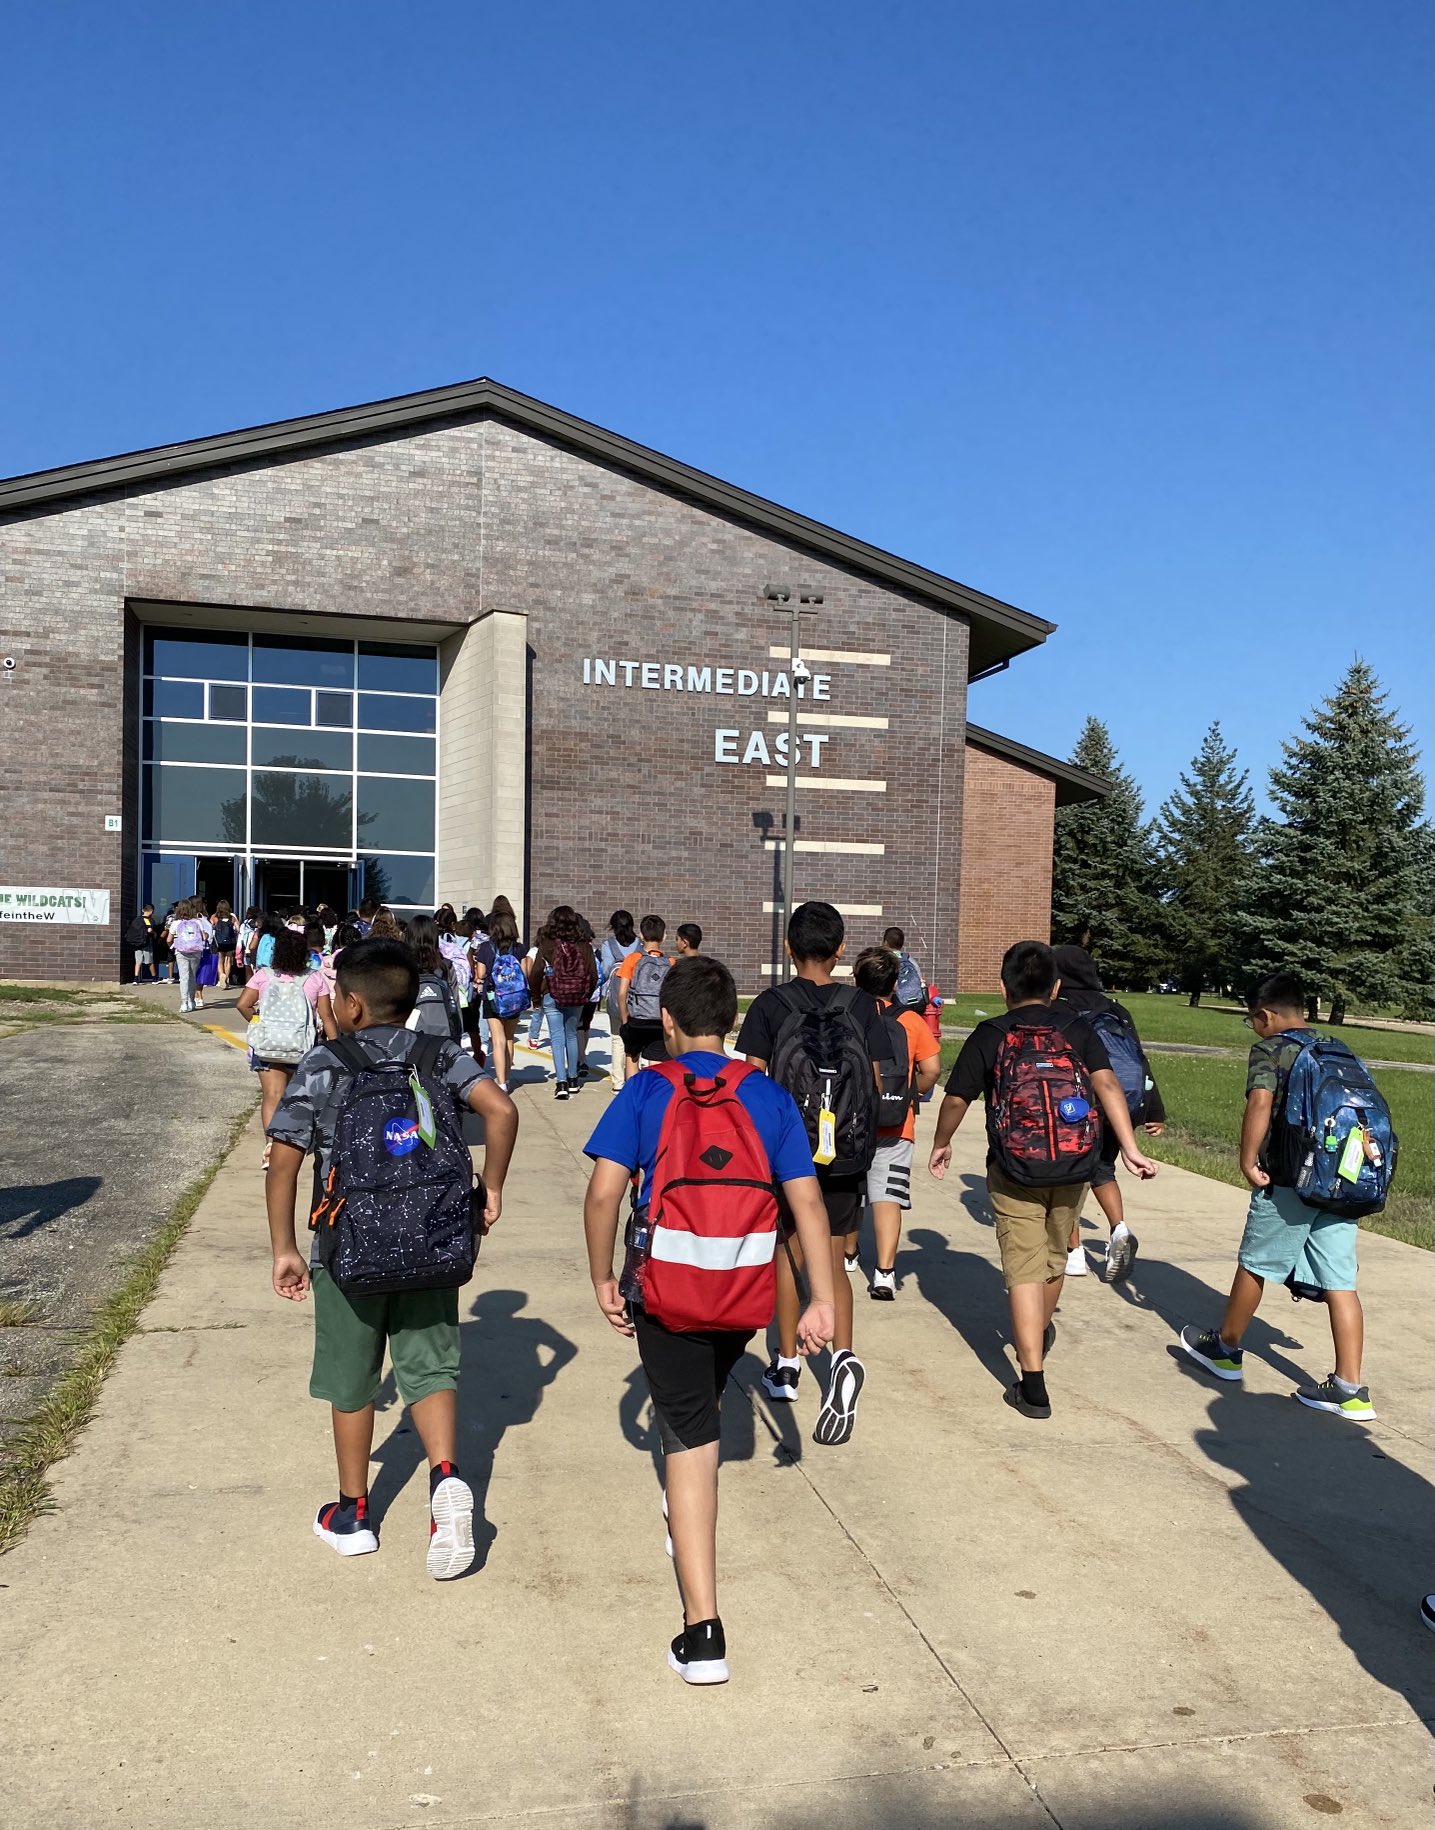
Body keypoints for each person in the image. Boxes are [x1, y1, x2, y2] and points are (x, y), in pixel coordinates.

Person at [582, 954, 835, 1683]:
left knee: (689, 1443)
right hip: (741, 1289)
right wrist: (818, 1297)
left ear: (665, 1020)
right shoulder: (767, 1097)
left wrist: (601, 1276)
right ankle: (683, 1515)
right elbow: (807, 1204)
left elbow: (604, 1195)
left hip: (666, 1290)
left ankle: (703, 1632)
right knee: (706, 1401)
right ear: (729, 1024)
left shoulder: (645, 1092)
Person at [263, 938, 519, 1579]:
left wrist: (285, 1249)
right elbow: (503, 1110)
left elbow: (285, 1161)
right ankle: (446, 1484)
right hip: (432, 1242)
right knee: (430, 1369)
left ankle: (353, 1514)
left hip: (347, 1246)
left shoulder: (324, 1063)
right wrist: (489, 1188)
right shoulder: (439, 1055)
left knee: (351, 1380)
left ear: (350, 1003)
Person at [928, 940, 1158, 1419]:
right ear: (1055, 987)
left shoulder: (990, 1033)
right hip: (1075, 1166)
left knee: (1023, 1266)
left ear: (1003, 987)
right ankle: (1040, 1328)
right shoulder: (1076, 1029)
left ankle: (1032, 1383)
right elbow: (1108, 1084)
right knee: (1054, 1257)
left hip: (1014, 1169)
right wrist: (1130, 1149)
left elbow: (956, 1098)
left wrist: (942, 1141)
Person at [1179, 974, 1376, 1420]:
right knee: (1340, 1281)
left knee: (1256, 1262)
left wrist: (1248, 1160)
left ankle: (1225, 1350)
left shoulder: (1273, 1049)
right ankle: (1350, 1388)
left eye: (1253, 1021)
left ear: (1265, 1015)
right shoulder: (1336, 1046)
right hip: (1338, 1182)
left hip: (1288, 1178)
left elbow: (1260, 1103)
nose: (1255, 1028)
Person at [736, 900, 890, 1446]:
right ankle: (842, 1357)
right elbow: (872, 1078)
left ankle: (785, 1366)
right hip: (846, 1152)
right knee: (829, 1256)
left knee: (789, 1254)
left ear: (788, 948)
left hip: (787, 1152)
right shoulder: (863, 1004)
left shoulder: (770, 1006)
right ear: (842, 949)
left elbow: (752, 1080)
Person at [1050, 944, 1166, 1283]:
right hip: (1120, 1107)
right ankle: (1119, 1229)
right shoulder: (1116, 1008)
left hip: (1077, 1106)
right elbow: (1138, 1058)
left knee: (1069, 1176)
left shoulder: (1060, 1008)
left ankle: (1073, 1254)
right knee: (1103, 1169)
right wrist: (1152, 1110)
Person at [848, 946, 943, 1299]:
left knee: (852, 1191)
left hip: (851, 1119)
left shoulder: (848, 1014)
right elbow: (932, 1070)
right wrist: (907, 1093)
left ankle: (848, 1254)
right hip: (896, 1122)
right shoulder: (911, 1021)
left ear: (858, 979)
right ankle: (885, 1273)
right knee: (887, 1195)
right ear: (894, 984)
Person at [236, 926, 337, 1168]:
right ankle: (295, 1142)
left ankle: (271, 1146)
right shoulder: (314, 978)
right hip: (301, 1047)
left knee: (272, 1095)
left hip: (268, 1046)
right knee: (300, 1097)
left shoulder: (264, 975)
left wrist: (259, 1023)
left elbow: (242, 1004)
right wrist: (336, 1046)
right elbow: (327, 1016)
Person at [527, 905, 597, 1100]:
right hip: (578, 996)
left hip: (552, 994)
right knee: (572, 1036)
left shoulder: (548, 944)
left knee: (557, 1039)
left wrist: (535, 997)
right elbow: (593, 974)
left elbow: (536, 973)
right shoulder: (584, 944)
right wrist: (586, 994)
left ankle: (562, 1083)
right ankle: (574, 1079)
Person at [472, 905, 529, 1092]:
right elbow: (524, 972)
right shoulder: (520, 948)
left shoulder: (486, 948)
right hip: (515, 998)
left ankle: (501, 1082)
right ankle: (508, 1075)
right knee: (510, 1038)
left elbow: (480, 973)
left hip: (492, 996)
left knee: (497, 1040)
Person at [615, 917, 673, 1077]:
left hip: (636, 1020)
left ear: (641, 935)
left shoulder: (633, 959)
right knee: (657, 1064)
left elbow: (621, 993)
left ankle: (634, 1095)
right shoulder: (671, 963)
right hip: (659, 1021)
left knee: (632, 1058)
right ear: (664, 936)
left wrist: (625, 1020)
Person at [600, 911, 642, 1090]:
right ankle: (633, 1077)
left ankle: (618, 1082)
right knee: (636, 1040)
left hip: (616, 999)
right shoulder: (640, 945)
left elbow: (605, 970)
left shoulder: (608, 945)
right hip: (639, 1000)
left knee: (617, 1039)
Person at [408, 914, 464, 1042]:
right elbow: (455, 1002)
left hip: (411, 1037)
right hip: (444, 1037)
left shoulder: (403, 967)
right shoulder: (446, 966)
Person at [166, 896, 214, 1014]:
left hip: (181, 952)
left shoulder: (175, 923)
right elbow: (204, 937)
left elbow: (168, 939)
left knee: (184, 978)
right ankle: (192, 1001)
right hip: (196, 952)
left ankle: (184, 1003)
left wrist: (172, 946)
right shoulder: (197, 922)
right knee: (192, 976)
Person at [882, 925, 929, 1015]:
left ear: (885, 942)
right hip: (917, 1004)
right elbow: (920, 979)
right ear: (902, 944)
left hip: (898, 1005)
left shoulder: (885, 960)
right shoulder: (909, 959)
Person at [124, 902, 160, 984]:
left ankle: (136, 978)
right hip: (146, 943)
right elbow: (149, 930)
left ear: (143, 910)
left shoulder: (136, 920)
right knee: (149, 961)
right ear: (151, 911)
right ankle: (154, 978)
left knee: (138, 961)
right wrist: (154, 933)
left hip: (137, 944)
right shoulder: (148, 920)